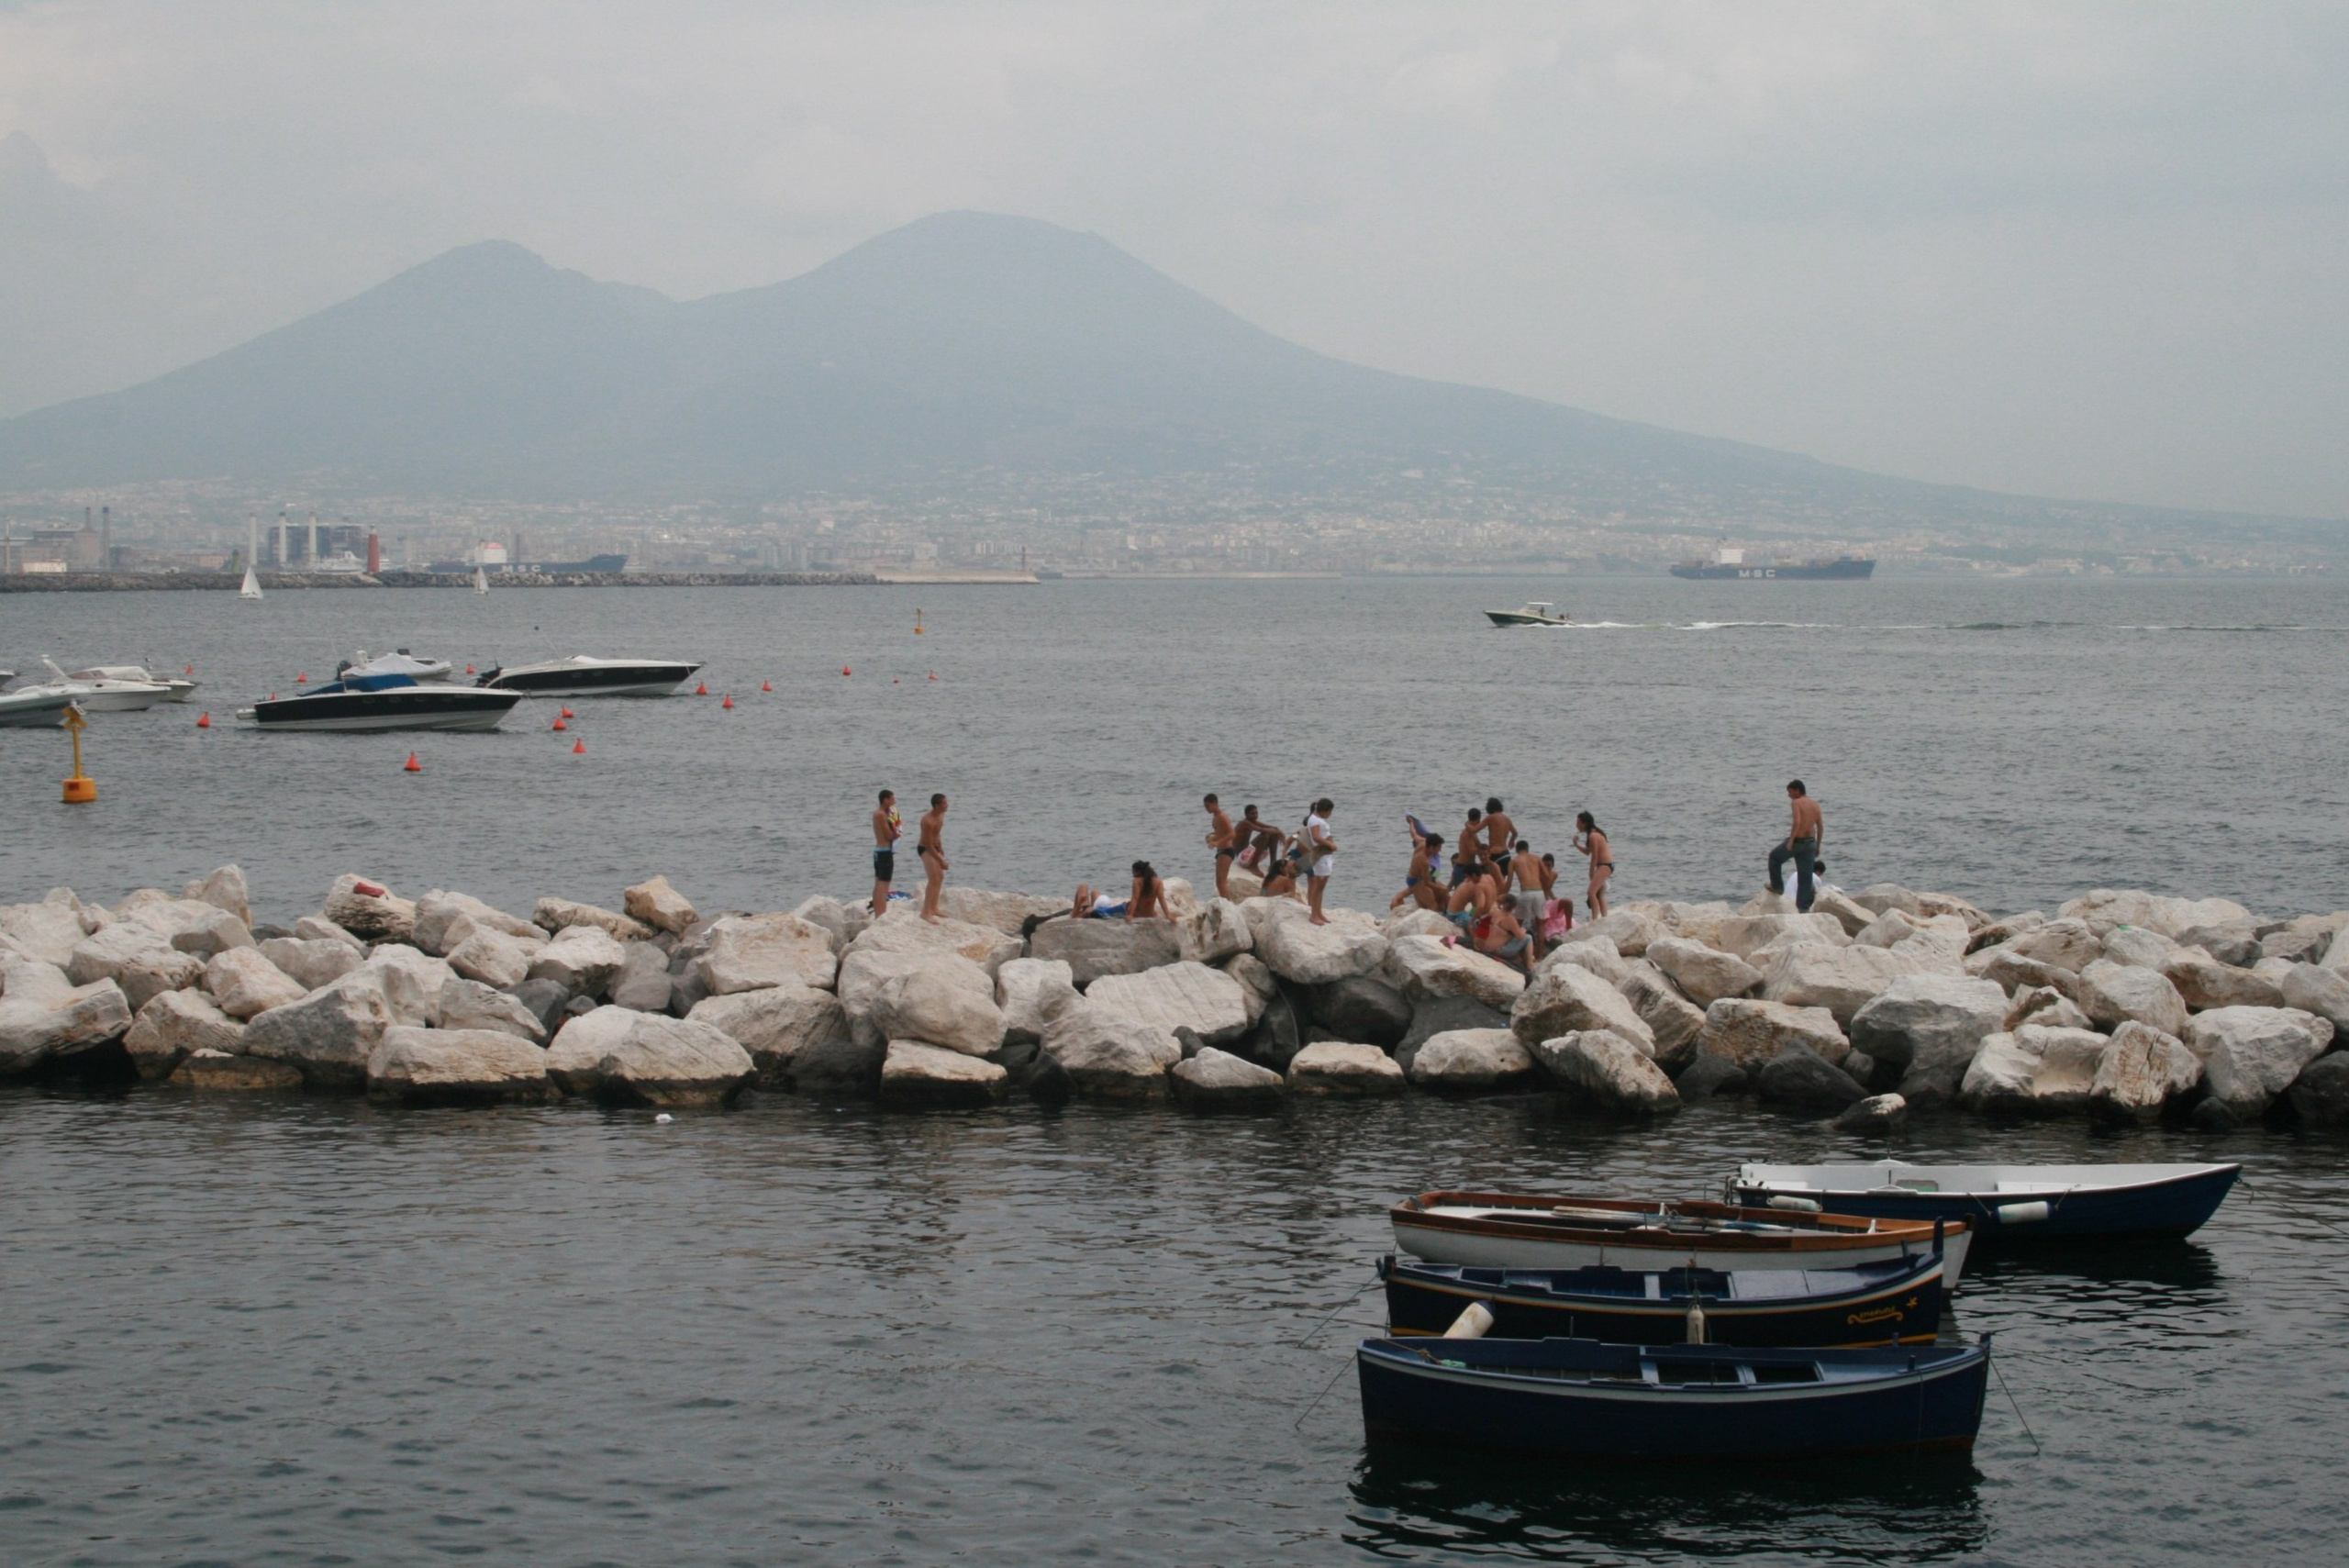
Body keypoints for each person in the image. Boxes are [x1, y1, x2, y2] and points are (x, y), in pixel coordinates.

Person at [1766, 780, 1823, 914]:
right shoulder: (1815, 804)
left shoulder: (1796, 802)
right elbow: (1820, 826)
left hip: (1798, 841)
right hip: (1810, 843)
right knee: (1805, 877)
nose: (1789, 795)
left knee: (1774, 857)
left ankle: (1777, 887)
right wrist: (1818, 845)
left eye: (1790, 791)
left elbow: (1797, 821)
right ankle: (1803, 909)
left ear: (1797, 790)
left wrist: (1791, 841)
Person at [1074, 861, 1170, 920]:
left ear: (1138, 872)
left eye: (1133, 872)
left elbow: (1135, 899)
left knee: (1090, 903)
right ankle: (1086, 904)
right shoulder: (1158, 882)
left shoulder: (1137, 881)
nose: (1133, 875)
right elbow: (1162, 900)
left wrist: (1131, 915)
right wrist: (1168, 916)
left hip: (1127, 911)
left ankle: (1081, 908)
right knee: (1095, 894)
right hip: (1149, 915)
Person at [1391, 822, 1446, 912]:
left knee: (1440, 896)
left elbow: (1414, 834)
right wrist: (1441, 888)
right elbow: (1427, 882)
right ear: (1432, 847)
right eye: (1439, 847)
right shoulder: (1424, 861)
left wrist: (1411, 823)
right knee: (1434, 906)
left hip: (1419, 877)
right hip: (1416, 881)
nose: (1440, 850)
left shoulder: (1422, 842)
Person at [1299, 798, 1337, 924]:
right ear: (1325, 811)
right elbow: (1316, 836)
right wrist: (1330, 844)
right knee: (1318, 886)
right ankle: (1314, 915)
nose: (1330, 815)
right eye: (1330, 812)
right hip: (1321, 855)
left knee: (1322, 885)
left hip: (1326, 855)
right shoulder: (1315, 820)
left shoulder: (1317, 819)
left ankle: (1319, 912)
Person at [1508, 840, 1548, 958]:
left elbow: (1509, 882)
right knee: (1540, 924)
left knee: (1517, 924)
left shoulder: (1514, 861)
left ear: (1516, 850)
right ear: (1527, 849)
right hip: (1539, 892)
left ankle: (1516, 953)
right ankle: (1540, 956)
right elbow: (1546, 874)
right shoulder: (1536, 858)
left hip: (1525, 893)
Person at [918, 793, 950, 923]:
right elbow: (928, 844)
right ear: (936, 806)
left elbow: (937, 834)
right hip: (925, 849)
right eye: (944, 804)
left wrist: (941, 848)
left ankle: (934, 907)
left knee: (940, 877)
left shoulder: (941, 815)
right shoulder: (928, 821)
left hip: (935, 848)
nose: (947, 805)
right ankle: (925, 912)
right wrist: (940, 859)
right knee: (933, 878)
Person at [1574, 811, 1612, 918]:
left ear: (1585, 823)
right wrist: (1576, 845)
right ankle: (1604, 917)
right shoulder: (1592, 834)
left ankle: (1595, 919)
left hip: (1605, 865)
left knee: (1591, 893)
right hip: (1605, 866)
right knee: (1599, 894)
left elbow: (1594, 855)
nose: (1577, 825)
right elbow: (1587, 852)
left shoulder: (1593, 835)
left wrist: (1591, 872)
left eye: (1578, 822)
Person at [870, 788, 902, 917]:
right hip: (885, 852)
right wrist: (896, 832)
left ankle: (878, 912)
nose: (894, 802)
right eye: (892, 799)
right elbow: (888, 835)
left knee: (878, 882)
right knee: (883, 885)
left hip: (878, 851)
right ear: (886, 800)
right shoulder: (881, 815)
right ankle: (881, 914)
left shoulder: (877, 813)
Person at [1204, 794, 1239, 899]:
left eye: (1207, 806)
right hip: (1221, 850)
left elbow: (1232, 833)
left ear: (1214, 803)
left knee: (1221, 882)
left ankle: (1228, 904)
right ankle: (1226, 903)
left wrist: (1217, 843)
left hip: (1227, 850)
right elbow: (1221, 832)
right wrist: (1211, 836)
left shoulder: (1222, 816)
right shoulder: (1215, 817)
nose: (1206, 809)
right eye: (1205, 806)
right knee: (1219, 881)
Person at [1231, 805, 1285, 873]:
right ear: (1246, 815)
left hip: (1248, 856)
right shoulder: (1244, 823)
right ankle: (1253, 866)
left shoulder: (1252, 822)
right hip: (1242, 858)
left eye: (1256, 813)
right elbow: (1263, 830)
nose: (1255, 815)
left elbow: (1273, 828)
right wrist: (1278, 832)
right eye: (1252, 814)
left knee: (1273, 835)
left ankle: (1272, 864)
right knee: (1265, 835)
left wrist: (1279, 834)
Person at [1451, 807, 1486, 889]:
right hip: (1462, 868)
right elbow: (1472, 851)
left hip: (1469, 867)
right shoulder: (1467, 833)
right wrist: (1485, 851)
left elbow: (1479, 845)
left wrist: (1485, 851)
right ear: (1479, 820)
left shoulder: (1472, 832)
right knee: (1461, 895)